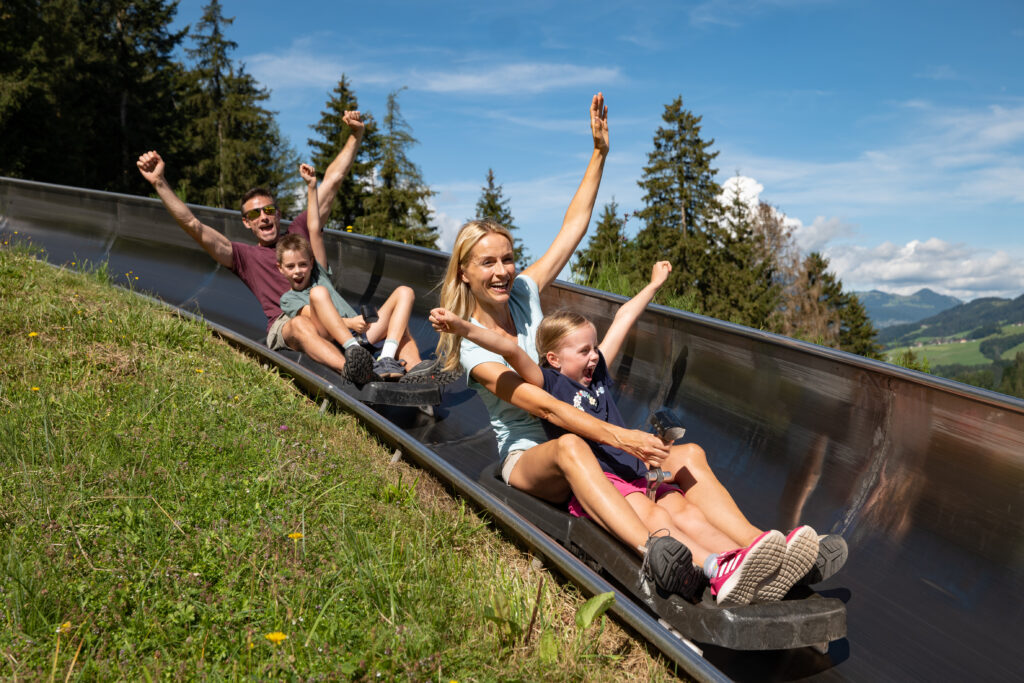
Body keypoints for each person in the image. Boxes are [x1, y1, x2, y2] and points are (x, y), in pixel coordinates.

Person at [429, 94, 710, 603]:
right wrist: (622, 438)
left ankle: (740, 547)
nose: (501, 271)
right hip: (533, 455)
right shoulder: (472, 346)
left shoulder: (522, 293)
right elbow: (544, 405)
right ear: (465, 272)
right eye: (487, 263)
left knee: (672, 459)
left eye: (508, 258)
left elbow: (571, 230)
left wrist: (599, 154)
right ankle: (655, 553)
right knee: (572, 445)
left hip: (579, 432)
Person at [433, 261, 820, 605]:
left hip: (631, 468)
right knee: (656, 516)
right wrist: (463, 327)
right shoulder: (545, 380)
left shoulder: (596, 371)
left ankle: (754, 556)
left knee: (684, 509)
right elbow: (508, 348)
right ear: (553, 358)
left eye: (593, 348)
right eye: (583, 350)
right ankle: (714, 566)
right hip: (605, 479)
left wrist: (652, 286)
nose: (594, 356)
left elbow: (623, 321)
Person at [135, 110, 437, 382]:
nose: (263, 217)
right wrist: (160, 183)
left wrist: (355, 136)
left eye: (268, 210)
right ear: (246, 223)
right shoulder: (244, 256)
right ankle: (358, 371)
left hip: (337, 321)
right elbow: (194, 226)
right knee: (298, 325)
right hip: (292, 322)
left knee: (399, 325)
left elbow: (331, 183)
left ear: (278, 214)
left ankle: (415, 376)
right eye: (254, 214)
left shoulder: (300, 233)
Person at [275, 163, 418, 383]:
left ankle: (389, 359)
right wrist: (350, 324)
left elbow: (314, 228)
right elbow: (312, 315)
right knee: (318, 294)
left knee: (404, 292)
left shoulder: (318, 274)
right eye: (291, 267)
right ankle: (354, 352)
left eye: (303, 265)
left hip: (362, 333)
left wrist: (312, 187)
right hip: (337, 339)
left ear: (311, 263)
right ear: (281, 269)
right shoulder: (289, 299)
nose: (298, 271)